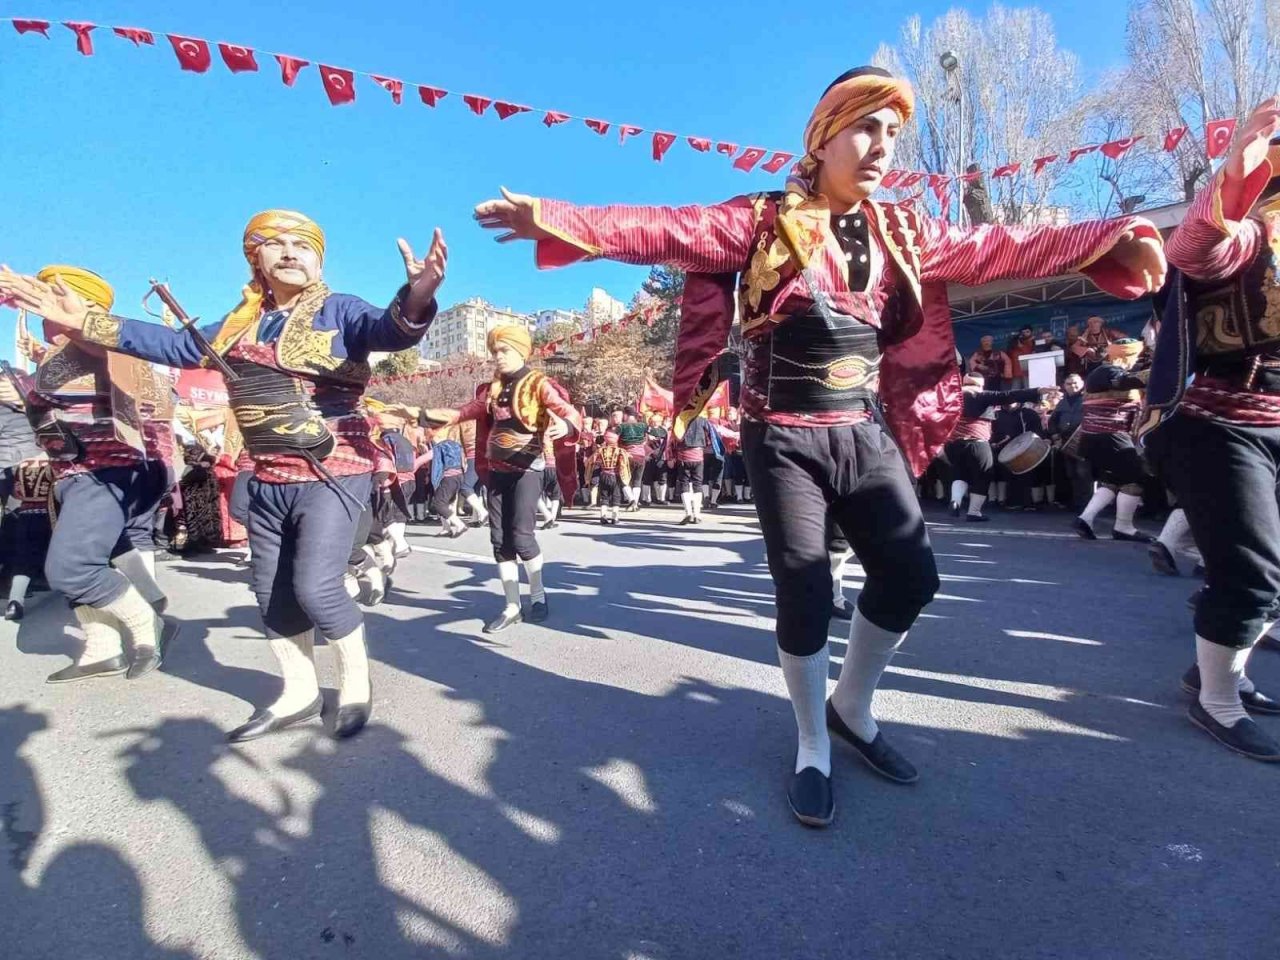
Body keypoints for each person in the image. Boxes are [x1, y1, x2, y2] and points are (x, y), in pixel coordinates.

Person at [473, 65, 1165, 826]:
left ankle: (851, 707)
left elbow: (997, 247)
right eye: (866, 127)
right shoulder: (760, 220)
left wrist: (1111, 234)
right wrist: (558, 217)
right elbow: (664, 226)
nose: (881, 147)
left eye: (893, 134)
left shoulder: (905, 229)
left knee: (911, 577)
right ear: (824, 136)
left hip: (863, 431)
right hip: (782, 440)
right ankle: (811, 740)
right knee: (804, 591)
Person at [2, 212, 447, 742]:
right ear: (253, 257)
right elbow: (167, 345)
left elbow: (390, 330)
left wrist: (418, 293)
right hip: (264, 475)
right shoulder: (238, 322)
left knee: (317, 585)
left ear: (319, 258)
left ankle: (355, 685)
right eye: (274, 243)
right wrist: (88, 322)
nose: (289, 252)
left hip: (333, 468)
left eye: (301, 244)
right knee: (269, 591)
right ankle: (299, 692)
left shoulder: (339, 310)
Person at [1138, 100, 1280, 759]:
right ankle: (1214, 700)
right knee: (1252, 573)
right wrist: (1235, 174)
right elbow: (1190, 248)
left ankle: (1222, 670)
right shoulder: (1255, 233)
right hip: (1219, 425)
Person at [8, 267, 177, 684]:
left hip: (108, 471)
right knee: (97, 553)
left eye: (49, 301)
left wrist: (78, 322)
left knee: (71, 567)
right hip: (76, 472)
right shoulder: (56, 356)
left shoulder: (101, 342)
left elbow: (106, 351)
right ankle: (102, 648)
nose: (42, 312)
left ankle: (146, 626)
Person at [426, 325, 581, 634]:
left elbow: (571, 413)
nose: (498, 357)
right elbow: (462, 413)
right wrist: (419, 415)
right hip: (497, 472)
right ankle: (512, 606)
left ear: (521, 351)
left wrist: (563, 426)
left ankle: (537, 596)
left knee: (522, 537)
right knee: (499, 540)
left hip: (528, 470)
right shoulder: (490, 390)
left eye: (504, 350)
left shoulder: (539, 383)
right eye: (495, 351)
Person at [1074, 339, 1152, 542]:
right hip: (1109, 435)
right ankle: (1123, 527)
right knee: (1136, 478)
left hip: (1099, 437)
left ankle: (1085, 518)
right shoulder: (1106, 371)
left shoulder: (1108, 372)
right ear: (1126, 355)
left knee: (1114, 479)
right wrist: (1157, 372)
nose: (1136, 360)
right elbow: (1123, 382)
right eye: (1134, 355)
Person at [943, 375, 1047, 521]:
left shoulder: (950, 397)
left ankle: (955, 501)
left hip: (953, 444)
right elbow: (1008, 395)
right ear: (980, 385)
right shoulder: (979, 395)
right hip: (977, 443)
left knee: (960, 474)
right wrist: (1038, 391)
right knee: (983, 475)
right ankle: (974, 512)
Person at [3, 454, 53, 621]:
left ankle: (15, 601)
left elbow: (17, 493)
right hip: (48, 516)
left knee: (24, 561)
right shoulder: (55, 462)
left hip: (25, 516)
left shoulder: (23, 464)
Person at [1048, 373, 1088, 507]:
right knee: (1071, 473)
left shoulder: (1088, 399)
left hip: (1083, 441)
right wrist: (1055, 436)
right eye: (1069, 384)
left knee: (1083, 473)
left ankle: (1085, 504)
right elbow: (1053, 421)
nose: (1073, 386)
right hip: (1065, 442)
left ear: (1082, 383)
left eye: (1075, 383)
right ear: (1064, 386)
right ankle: (1074, 503)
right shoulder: (1062, 402)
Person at [428, 426, 467, 537]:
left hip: (446, 477)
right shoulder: (456, 445)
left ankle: (460, 525)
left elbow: (428, 460)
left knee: (439, 503)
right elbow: (463, 461)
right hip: (458, 476)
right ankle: (446, 528)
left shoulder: (440, 446)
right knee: (448, 502)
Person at [590, 429, 630, 525]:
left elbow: (591, 461)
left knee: (604, 496)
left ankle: (603, 516)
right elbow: (623, 464)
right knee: (616, 496)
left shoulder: (600, 450)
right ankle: (614, 518)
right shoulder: (620, 451)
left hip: (603, 475)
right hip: (614, 476)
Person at [616, 409, 649, 510]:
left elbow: (615, 439)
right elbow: (648, 438)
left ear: (626, 415)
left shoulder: (621, 426)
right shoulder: (643, 426)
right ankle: (635, 502)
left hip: (627, 456)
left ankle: (632, 500)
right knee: (637, 480)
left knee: (624, 479)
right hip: (641, 456)